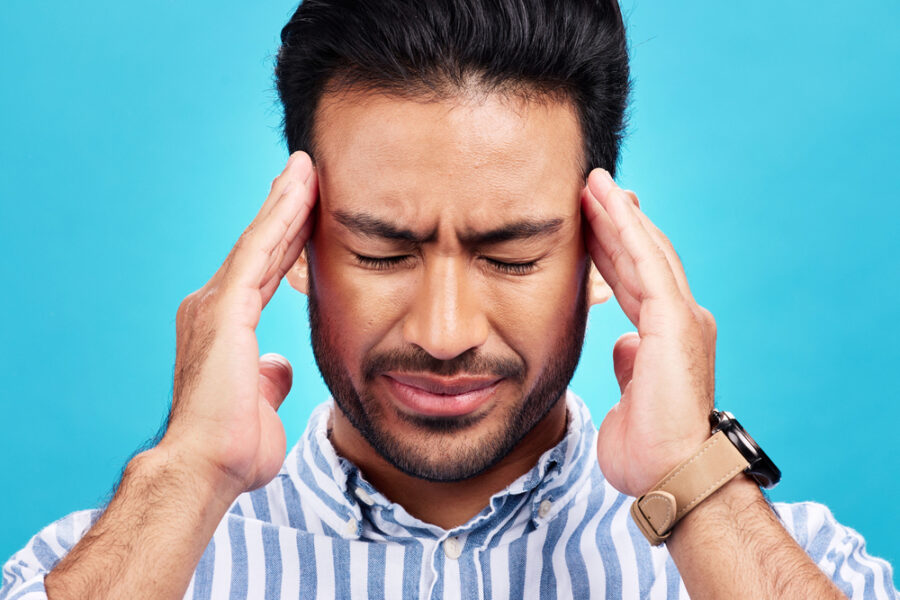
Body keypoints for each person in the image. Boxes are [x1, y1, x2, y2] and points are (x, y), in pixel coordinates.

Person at [1, 0, 897, 598]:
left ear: (604, 254)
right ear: (295, 243)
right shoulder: (100, 564)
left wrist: (696, 487)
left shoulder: (802, 566)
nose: (443, 335)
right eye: (382, 250)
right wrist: (185, 473)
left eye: (510, 257)